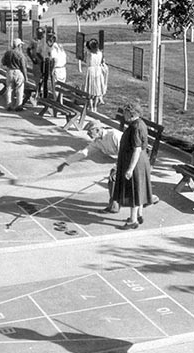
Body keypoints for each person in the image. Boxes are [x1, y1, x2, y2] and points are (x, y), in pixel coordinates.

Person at [57, 120, 122, 213]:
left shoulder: (113, 135)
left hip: (134, 156)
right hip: (124, 158)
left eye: (89, 131)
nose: (88, 134)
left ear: (97, 130)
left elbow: (125, 151)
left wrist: (118, 167)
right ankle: (115, 204)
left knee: (113, 177)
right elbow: (84, 152)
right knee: (116, 179)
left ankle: (115, 206)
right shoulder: (97, 142)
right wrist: (66, 163)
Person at [111, 101, 153, 230]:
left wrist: (130, 169)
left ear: (131, 113)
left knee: (133, 190)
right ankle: (139, 214)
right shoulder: (139, 123)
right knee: (139, 189)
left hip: (135, 163)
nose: (124, 115)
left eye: (125, 113)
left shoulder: (135, 127)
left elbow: (137, 149)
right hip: (141, 162)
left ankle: (132, 220)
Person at [1, 38, 28, 112]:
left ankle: (9, 105)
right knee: (19, 89)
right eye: (21, 45)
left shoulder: (7, 53)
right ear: (19, 45)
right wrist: (25, 76)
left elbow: (3, 62)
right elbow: (23, 66)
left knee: (9, 88)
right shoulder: (20, 55)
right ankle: (18, 106)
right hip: (18, 71)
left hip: (9, 71)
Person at [82, 38, 106, 112]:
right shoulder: (100, 53)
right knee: (97, 90)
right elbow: (102, 61)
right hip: (98, 71)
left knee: (90, 90)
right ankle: (95, 107)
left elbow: (85, 60)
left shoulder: (89, 54)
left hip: (91, 71)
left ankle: (91, 106)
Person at [26, 27, 48, 103]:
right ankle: (38, 94)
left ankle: (42, 95)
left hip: (44, 62)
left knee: (44, 79)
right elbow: (28, 50)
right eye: (38, 33)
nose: (39, 34)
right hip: (36, 62)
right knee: (37, 79)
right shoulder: (34, 40)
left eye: (41, 33)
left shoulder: (45, 41)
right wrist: (32, 59)